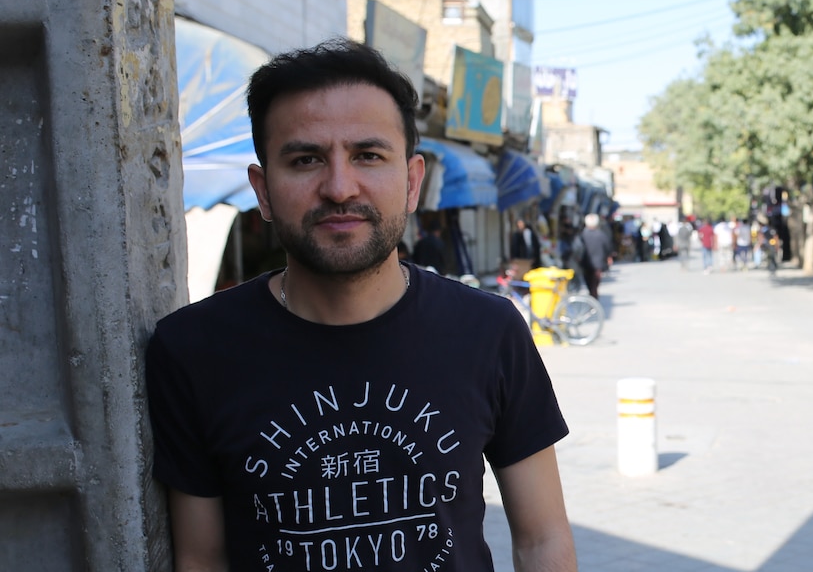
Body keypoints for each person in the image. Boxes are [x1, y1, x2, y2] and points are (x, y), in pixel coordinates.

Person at [146, 39, 577, 572]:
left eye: (368, 155)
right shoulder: (193, 350)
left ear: (412, 181)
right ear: (262, 189)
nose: (339, 187)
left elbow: (543, 539)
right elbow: (201, 559)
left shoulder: (488, 331)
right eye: (305, 160)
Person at [580, 213, 612, 300]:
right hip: (598, 263)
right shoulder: (601, 235)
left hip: (585, 263)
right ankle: (594, 299)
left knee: (590, 283)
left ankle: (593, 298)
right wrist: (608, 258)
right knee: (595, 284)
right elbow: (608, 248)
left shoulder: (582, 235)